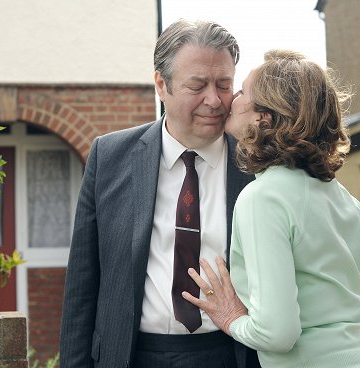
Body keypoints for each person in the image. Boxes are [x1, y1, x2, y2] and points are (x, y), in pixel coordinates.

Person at [182, 49, 360, 368]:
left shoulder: (262, 198)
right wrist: (332, 298)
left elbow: (279, 335)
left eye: (241, 92)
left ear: (262, 118)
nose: (230, 100)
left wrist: (231, 319)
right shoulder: (340, 197)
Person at [60, 19, 260, 368]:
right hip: (132, 356)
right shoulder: (109, 157)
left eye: (224, 85)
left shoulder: (259, 165)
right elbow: (82, 284)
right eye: (197, 85)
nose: (213, 100)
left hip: (232, 354)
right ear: (161, 85)